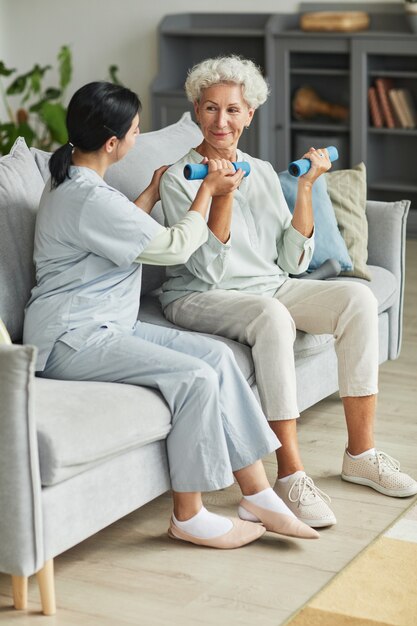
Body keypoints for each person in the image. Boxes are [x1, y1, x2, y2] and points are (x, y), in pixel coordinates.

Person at [23, 81, 320, 550]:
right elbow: (173, 247)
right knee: (196, 378)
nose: (140, 137)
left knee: (219, 360)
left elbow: (118, 235)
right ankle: (189, 515)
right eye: (136, 131)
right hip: (71, 338)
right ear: (112, 143)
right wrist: (207, 190)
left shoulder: (79, 183)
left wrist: (152, 192)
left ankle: (258, 494)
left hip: (108, 324)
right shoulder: (85, 197)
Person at [159, 56, 417, 529]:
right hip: (198, 293)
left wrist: (303, 188)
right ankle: (290, 475)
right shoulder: (179, 178)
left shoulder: (257, 168)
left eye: (233, 110)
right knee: (271, 316)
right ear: (196, 110)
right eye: (211, 108)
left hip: (268, 285)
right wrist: (222, 194)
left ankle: (360, 453)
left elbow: (291, 262)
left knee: (356, 300)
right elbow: (209, 268)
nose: (222, 121)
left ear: (250, 114)